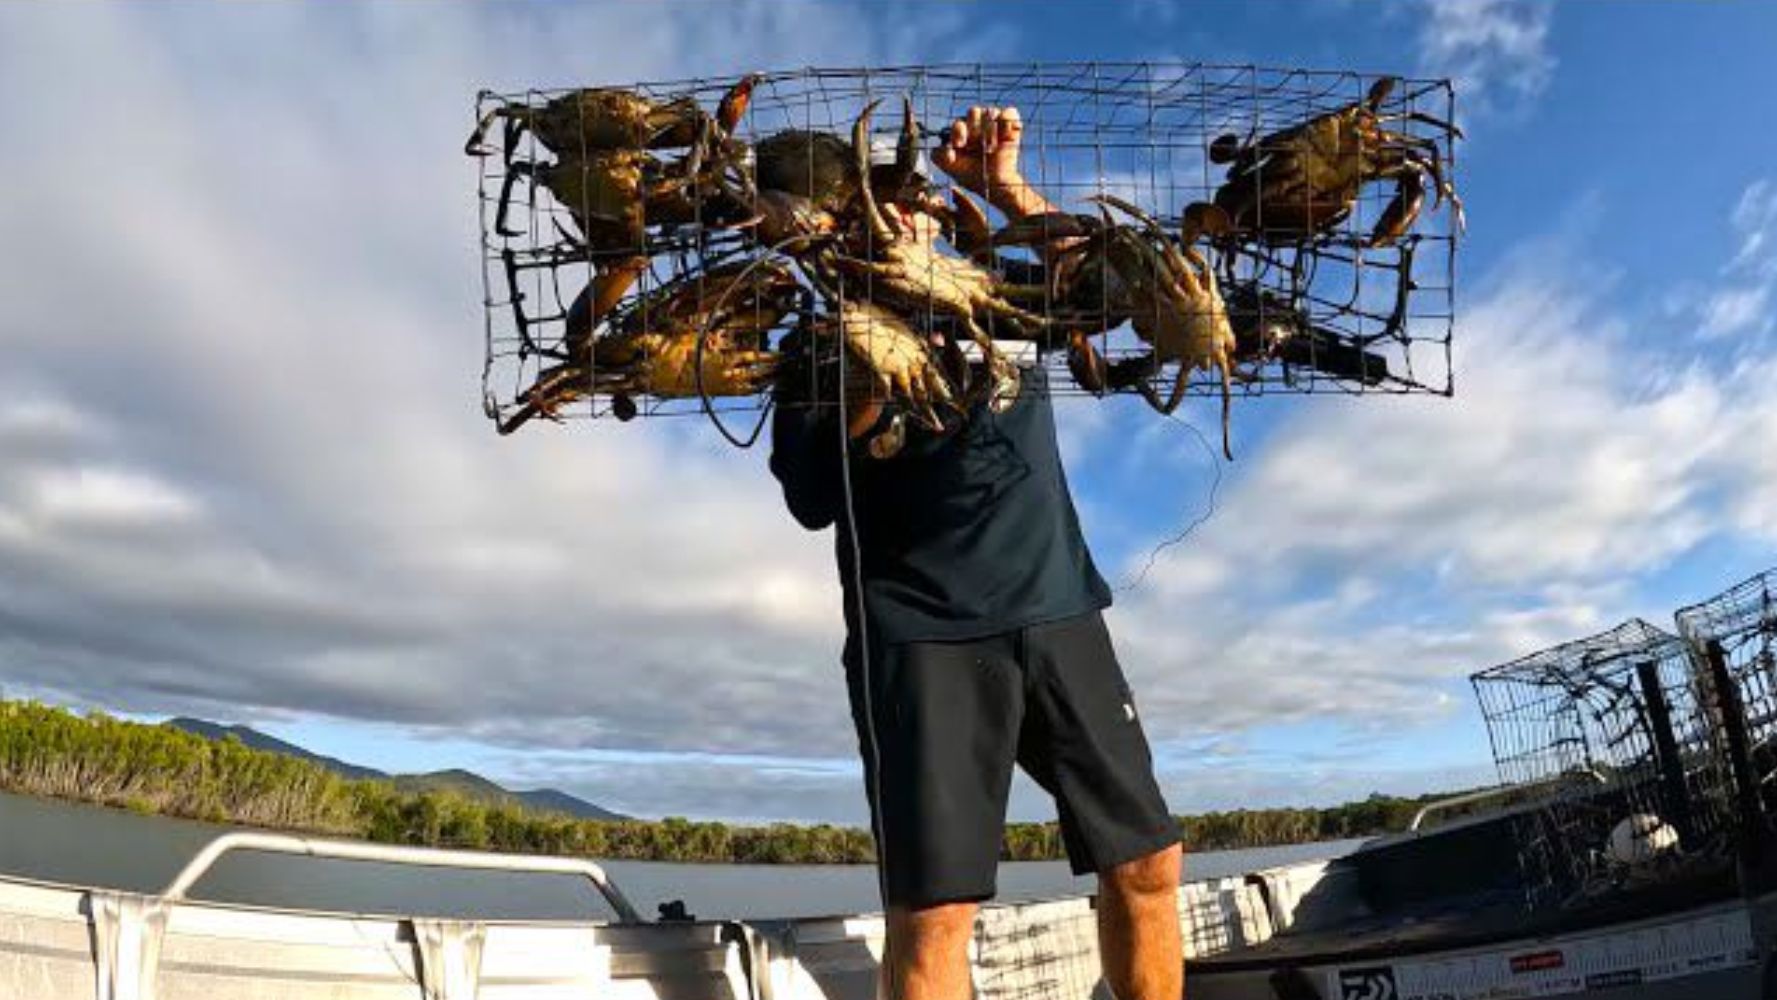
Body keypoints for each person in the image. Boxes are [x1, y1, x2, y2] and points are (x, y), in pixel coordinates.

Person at [770, 105, 1184, 1000]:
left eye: (917, 198)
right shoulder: (814, 336)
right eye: (883, 205)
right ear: (847, 222)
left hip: (1059, 606)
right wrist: (862, 385)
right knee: (934, 919)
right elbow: (809, 499)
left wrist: (1003, 190)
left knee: (1149, 865)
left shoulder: (992, 278)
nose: (909, 213)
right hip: (921, 637)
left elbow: (1110, 297)